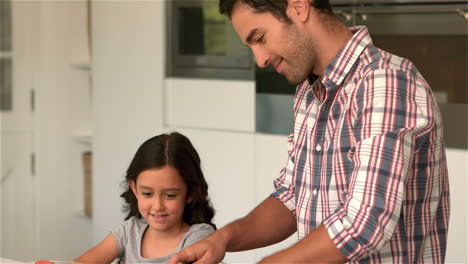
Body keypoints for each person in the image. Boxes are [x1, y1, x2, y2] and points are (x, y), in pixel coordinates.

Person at [169, 0, 450, 263]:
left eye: (260, 38)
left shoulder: (386, 82)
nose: (260, 59)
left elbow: (365, 222)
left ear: (299, 6)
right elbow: (293, 196)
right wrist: (223, 240)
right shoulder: (308, 92)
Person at [74, 132, 216, 263]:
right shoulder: (128, 232)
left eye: (170, 195)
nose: (158, 206)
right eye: (147, 194)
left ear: (190, 193)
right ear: (134, 189)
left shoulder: (200, 236)